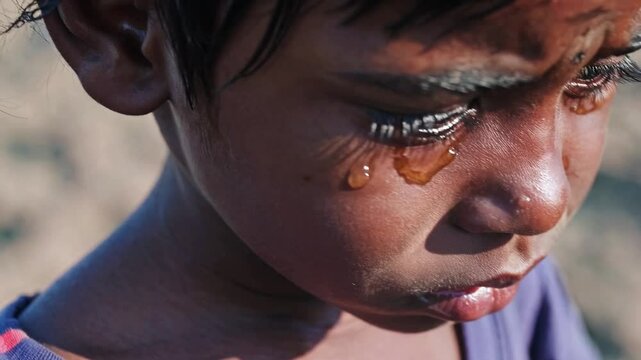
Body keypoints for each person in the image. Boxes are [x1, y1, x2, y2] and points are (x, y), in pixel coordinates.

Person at [2, 0, 641, 358]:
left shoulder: (507, 306)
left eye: (594, 74)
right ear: (126, 31)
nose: (542, 198)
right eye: (428, 112)